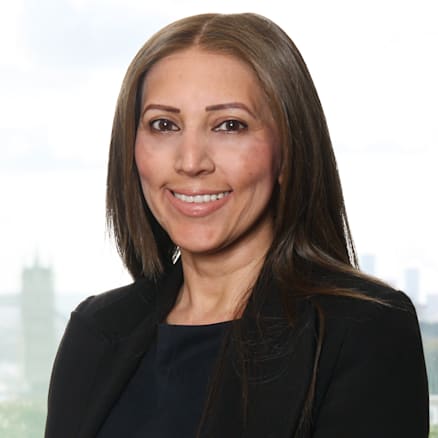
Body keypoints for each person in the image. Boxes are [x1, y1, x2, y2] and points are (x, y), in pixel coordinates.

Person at [44, 12, 429, 438]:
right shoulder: (96, 329)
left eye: (230, 125)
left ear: (287, 150)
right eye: (164, 125)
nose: (191, 162)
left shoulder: (363, 332)